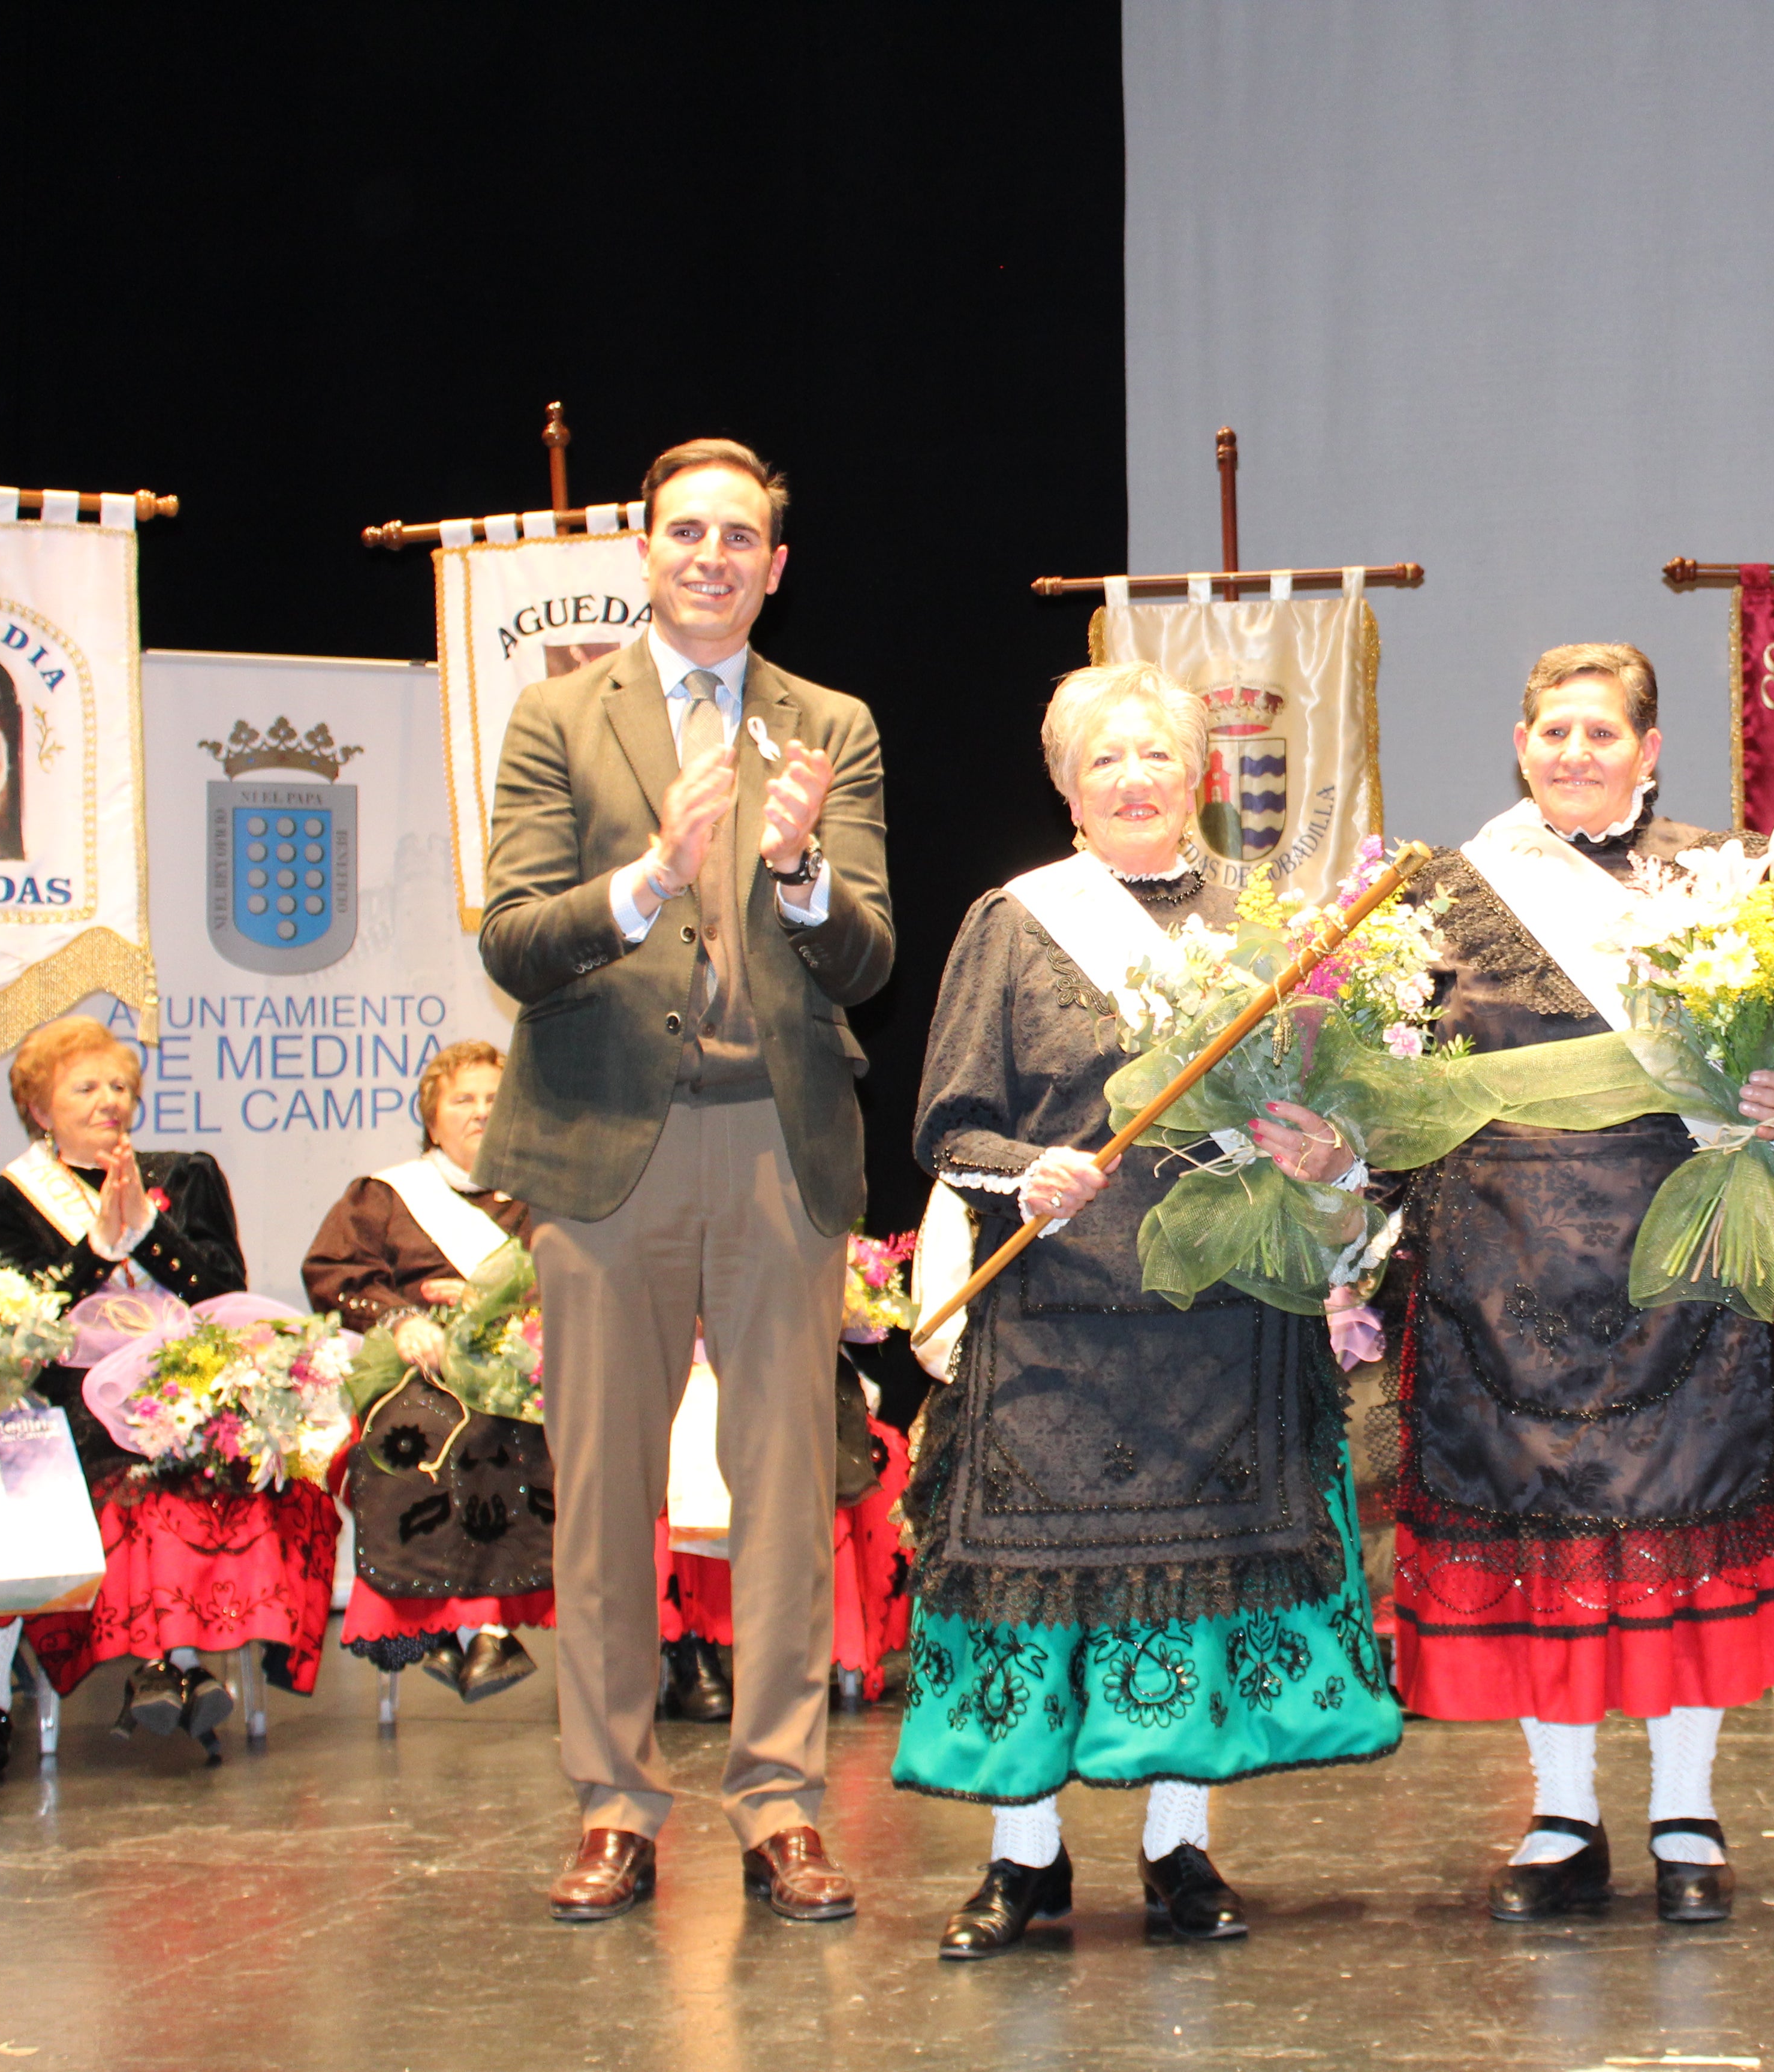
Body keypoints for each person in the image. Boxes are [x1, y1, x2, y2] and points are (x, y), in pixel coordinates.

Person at [891, 660, 1398, 1959]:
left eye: (1156, 756)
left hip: (1227, 1316)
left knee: (1197, 1592)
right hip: (1058, 1312)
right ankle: (1027, 1862)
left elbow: (1349, 1120)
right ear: (1067, 786)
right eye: (1104, 758)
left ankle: (1182, 1847)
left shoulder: (1269, 930)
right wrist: (1024, 1171)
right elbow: (950, 1125)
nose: (1133, 778)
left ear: (1200, 778)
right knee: (1032, 1591)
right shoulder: (1012, 924)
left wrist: (1324, 1152)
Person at [475, 438, 893, 1926]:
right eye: (686, 532)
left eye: (741, 535)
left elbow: (867, 958)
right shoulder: (554, 716)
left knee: (787, 1489)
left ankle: (779, 1801)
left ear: (775, 564)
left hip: (778, 1144)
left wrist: (796, 874)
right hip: (605, 1149)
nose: (712, 554)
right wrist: (652, 873)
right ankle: (614, 1802)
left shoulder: (826, 721)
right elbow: (515, 941)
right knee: (604, 1493)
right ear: (642, 553)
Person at [1380, 641, 1774, 1927]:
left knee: (1680, 1532)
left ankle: (1687, 1809)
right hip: (1500, 1266)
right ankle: (1562, 1812)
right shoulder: (1449, 892)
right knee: (1546, 1541)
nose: (1574, 752)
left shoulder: (1728, 875)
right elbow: (1398, 1075)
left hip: (1680, 1257)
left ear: (1650, 751)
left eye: (1602, 732)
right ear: (1520, 745)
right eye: (1553, 731)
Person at [0, 1016, 326, 1773]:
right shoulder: (7, 1199)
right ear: (41, 1109)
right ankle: (173, 1664)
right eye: (88, 1087)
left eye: (122, 1087)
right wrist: (100, 1249)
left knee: (200, 1461)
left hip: (187, 1381)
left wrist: (150, 1237)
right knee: (135, 1480)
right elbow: (20, 1321)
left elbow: (222, 1288)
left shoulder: (185, 1173)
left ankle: (172, 1666)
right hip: (74, 1403)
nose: (111, 1101)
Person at [304, 1039, 546, 1701]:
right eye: (462, 1099)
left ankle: (473, 1633)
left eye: (495, 1099)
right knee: (423, 1432)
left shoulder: (545, 1199)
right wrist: (399, 1318)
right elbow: (334, 1274)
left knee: (515, 1429)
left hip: (522, 1369)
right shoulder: (386, 1195)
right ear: (431, 1118)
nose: (479, 1112)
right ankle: (464, 1630)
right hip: (419, 1365)